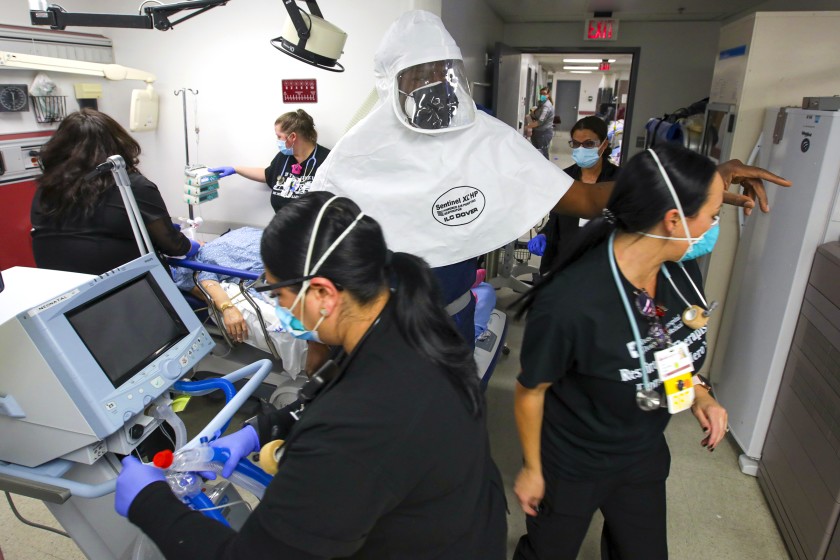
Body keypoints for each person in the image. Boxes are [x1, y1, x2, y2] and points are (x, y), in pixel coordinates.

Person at [310, 10, 789, 348]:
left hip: (450, 321)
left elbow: (584, 199)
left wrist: (699, 181)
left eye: (442, 71)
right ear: (390, 81)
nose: (434, 86)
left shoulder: (488, 141)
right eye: (418, 75)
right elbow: (316, 257)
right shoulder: (357, 158)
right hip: (374, 326)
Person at [115, 192, 507, 559]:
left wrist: (148, 502)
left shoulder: (361, 422)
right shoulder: (404, 319)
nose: (280, 306)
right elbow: (329, 391)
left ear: (322, 293)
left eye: (279, 296)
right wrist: (257, 431)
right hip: (463, 518)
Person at [512, 144, 730, 560]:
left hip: (642, 451)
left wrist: (698, 393)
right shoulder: (571, 302)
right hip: (574, 461)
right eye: (713, 215)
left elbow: (664, 342)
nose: (715, 225)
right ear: (673, 220)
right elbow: (531, 390)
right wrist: (532, 469)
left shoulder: (678, 273)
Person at [30, 109, 196, 275]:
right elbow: (174, 246)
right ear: (118, 143)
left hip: (61, 287)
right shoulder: (132, 187)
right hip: (124, 289)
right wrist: (192, 245)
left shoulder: (47, 189)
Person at [529, 116, 620, 274]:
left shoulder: (618, 181)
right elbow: (556, 218)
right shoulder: (564, 178)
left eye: (589, 144)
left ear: (604, 144)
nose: (581, 149)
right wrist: (544, 234)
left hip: (603, 264)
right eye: (576, 144)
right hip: (566, 260)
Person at [210, 109, 330, 213]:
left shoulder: (327, 161)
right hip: (281, 231)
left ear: (292, 137)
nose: (277, 140)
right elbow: (268, 174)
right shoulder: (284, 157)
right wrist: (235, 169)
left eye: (279, 136)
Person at [526, 87, 555, 158]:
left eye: (544, 94)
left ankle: (546, 169)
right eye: (541, 94)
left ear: (548, 95)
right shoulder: (541, 104)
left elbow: (540, 122)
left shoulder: (546, 107)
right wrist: (530, 116)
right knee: (536, 154)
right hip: (537, 133)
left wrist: (528, 127)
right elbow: (534, 115)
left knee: (543, 155)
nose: (542, 95)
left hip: (543, 134)